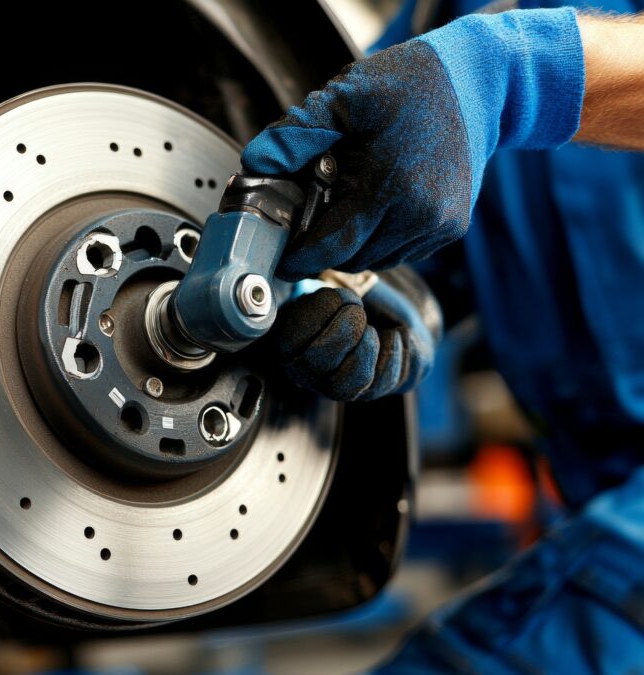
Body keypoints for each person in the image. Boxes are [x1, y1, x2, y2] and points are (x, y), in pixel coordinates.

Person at [246, 2, 644, 671]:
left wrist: (519, 71)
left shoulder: (483, 46)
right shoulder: (448, 15)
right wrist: (384, 297)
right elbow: (401, 234)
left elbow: (502, 76)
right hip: (592, 504)